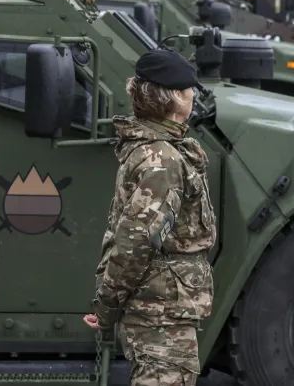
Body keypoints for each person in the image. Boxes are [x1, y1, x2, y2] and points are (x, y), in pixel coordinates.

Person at [84, 48, 215, 385]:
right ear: (174, 97)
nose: (192, 97)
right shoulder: (163, 159)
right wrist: (107, 308)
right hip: (161, 312)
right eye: (188, 90)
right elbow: (137, 241)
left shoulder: (155, 147)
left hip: (162, 306)